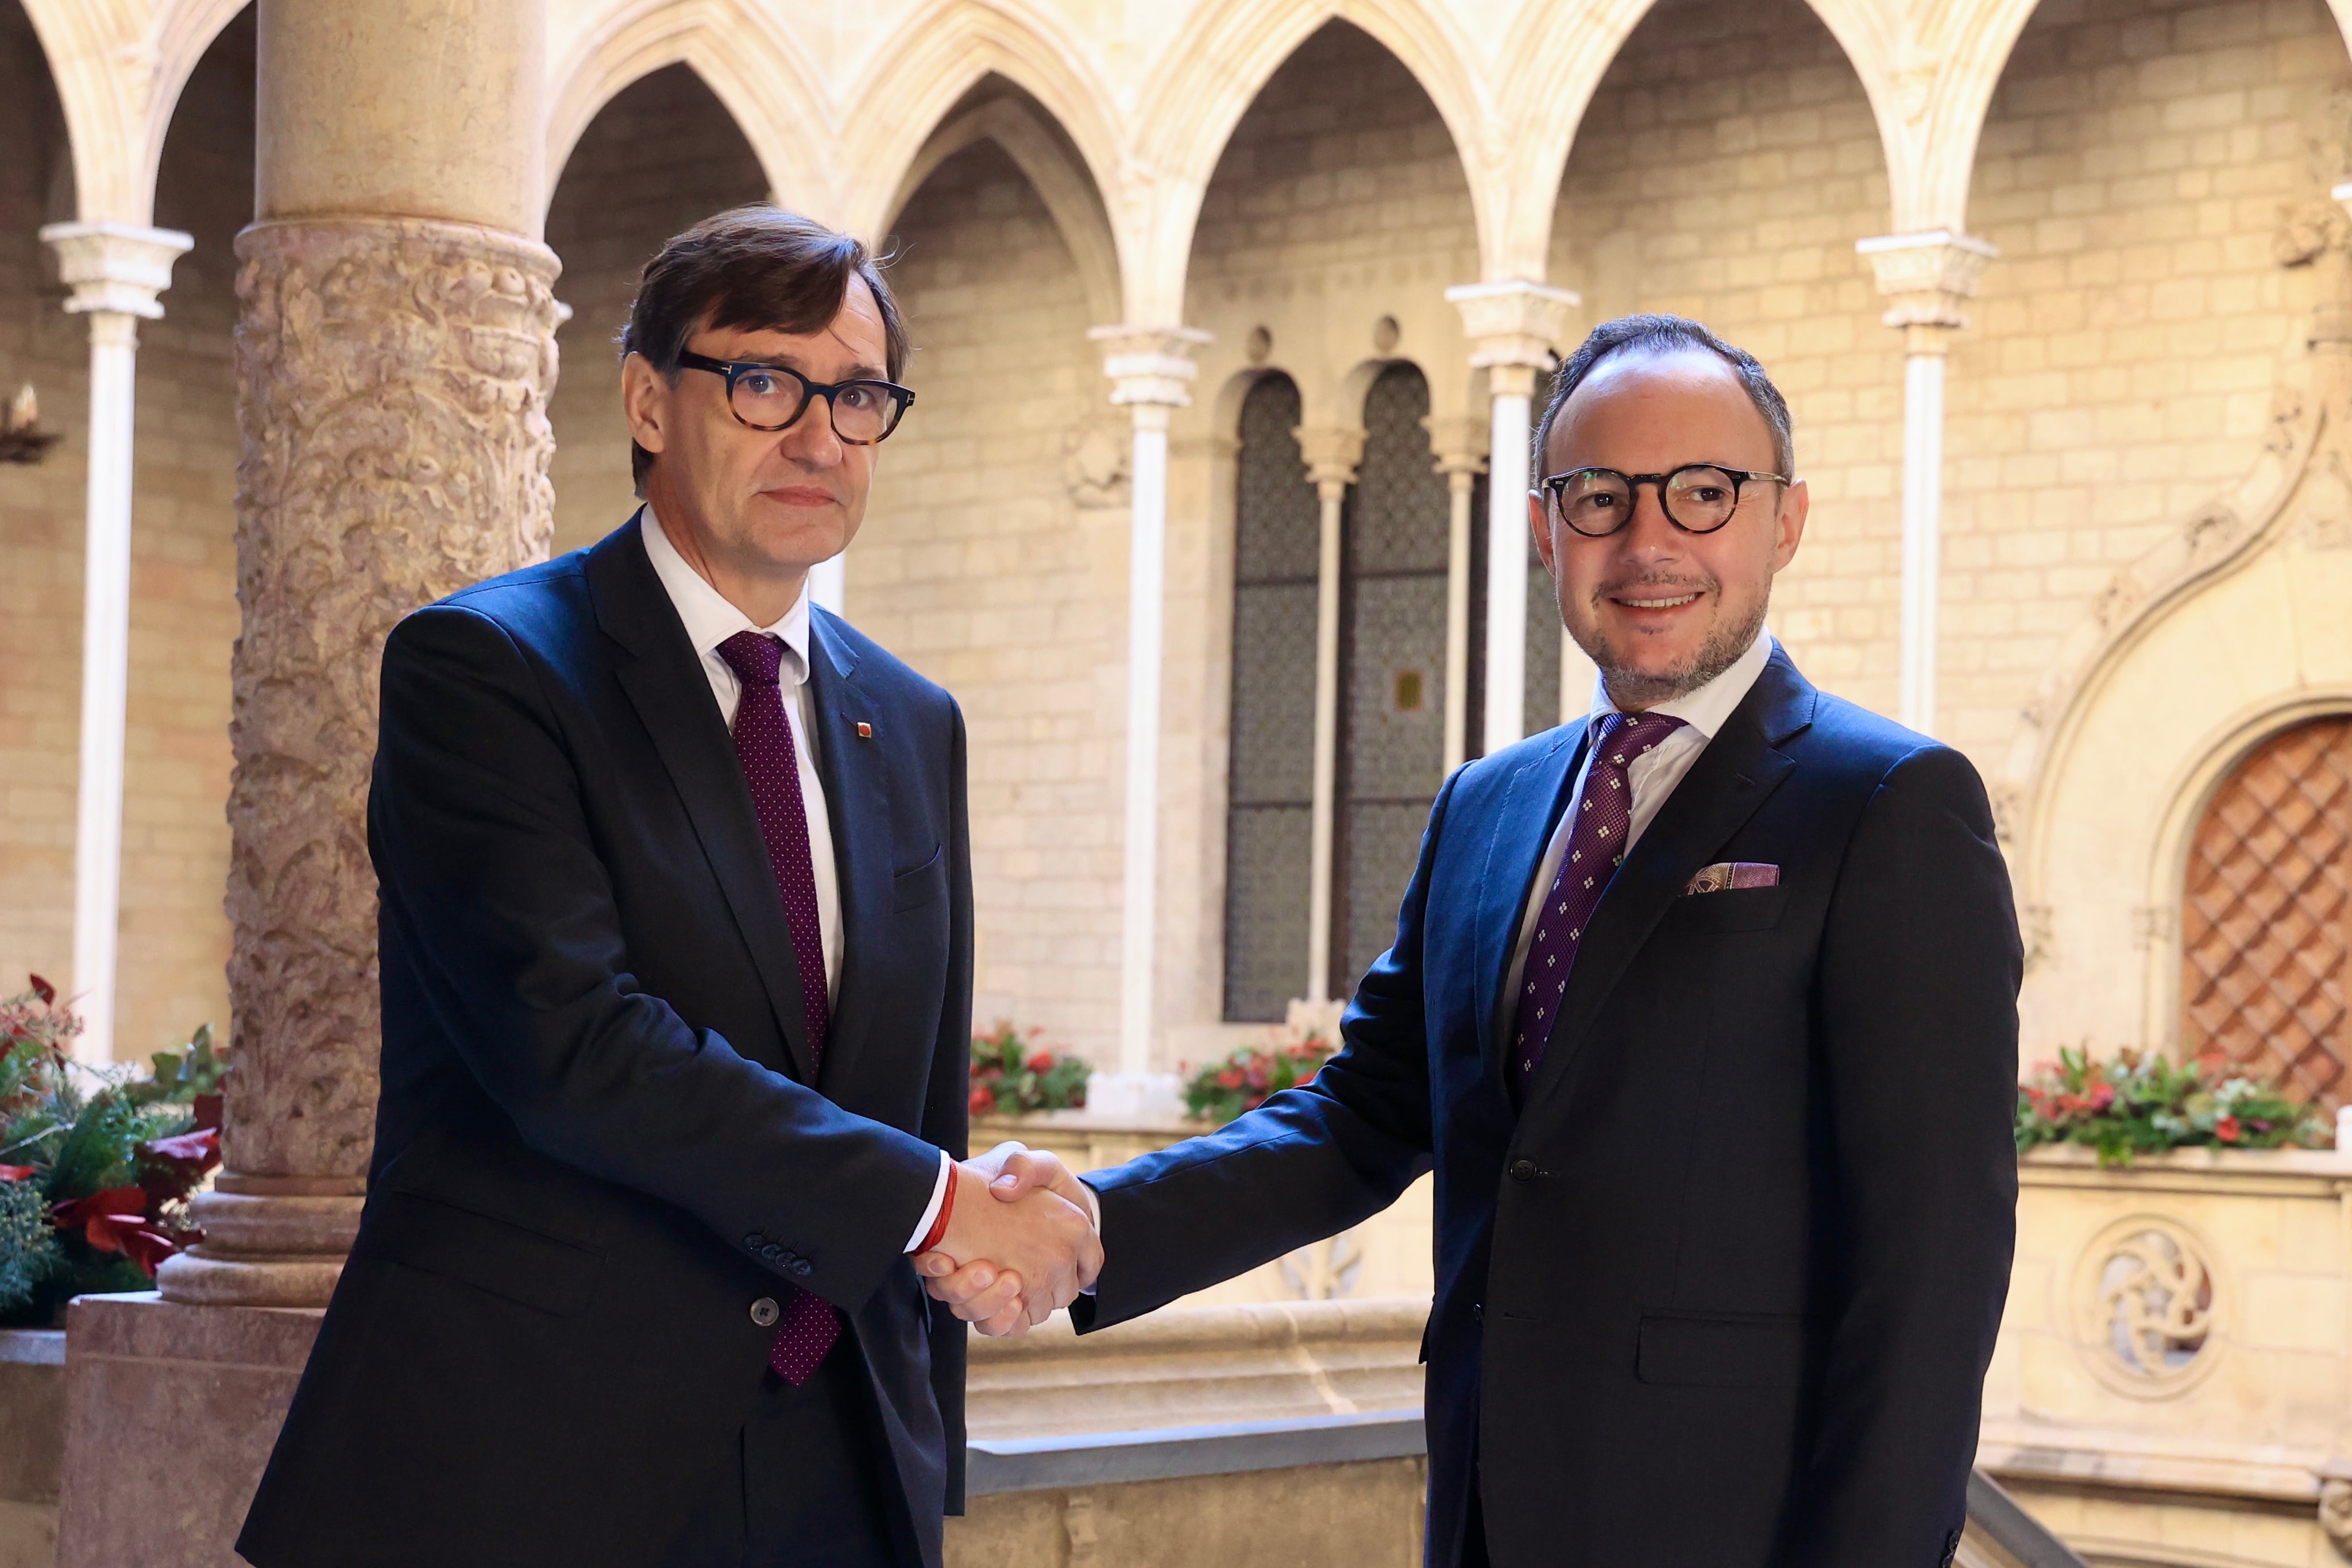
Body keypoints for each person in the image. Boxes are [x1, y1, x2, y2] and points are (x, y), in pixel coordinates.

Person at [929, 315, 2021, 1568]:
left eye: (1704, 494)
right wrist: (1093, 1225)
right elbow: (1362, 1119)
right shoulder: (1487, 808)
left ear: (1783, 520)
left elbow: (1928, 1270)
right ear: (1544, 529)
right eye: (1599, 496)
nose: (1649, 540)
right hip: (1488, 1513)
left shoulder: (1887, 802)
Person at [238, 207, 1099, 1568]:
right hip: (529, 1466)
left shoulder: (912, 719)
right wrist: (944, 1204)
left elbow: (910, 1094)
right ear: (648, 398)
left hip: (838, 1468)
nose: (817, 436)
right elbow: (575, 1050)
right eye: (764, 381)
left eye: (857, 396)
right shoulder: (489, 670)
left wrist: (921, 1444)